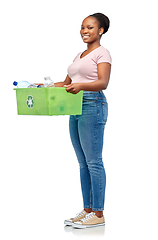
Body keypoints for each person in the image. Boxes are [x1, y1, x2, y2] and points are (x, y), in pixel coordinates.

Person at [39, 12, 112, 228]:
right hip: (74, 106)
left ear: (101, 30)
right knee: (83, 163)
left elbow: (103, 82)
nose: (84, 31)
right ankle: (88, 209)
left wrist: (80, 87)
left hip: (93, 104)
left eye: (90, 27)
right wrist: (47, 86)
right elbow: (67, 82)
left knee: (94, 161)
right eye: (82, 27)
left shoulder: (103, 53)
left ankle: (99, 214)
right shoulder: (79, 55)